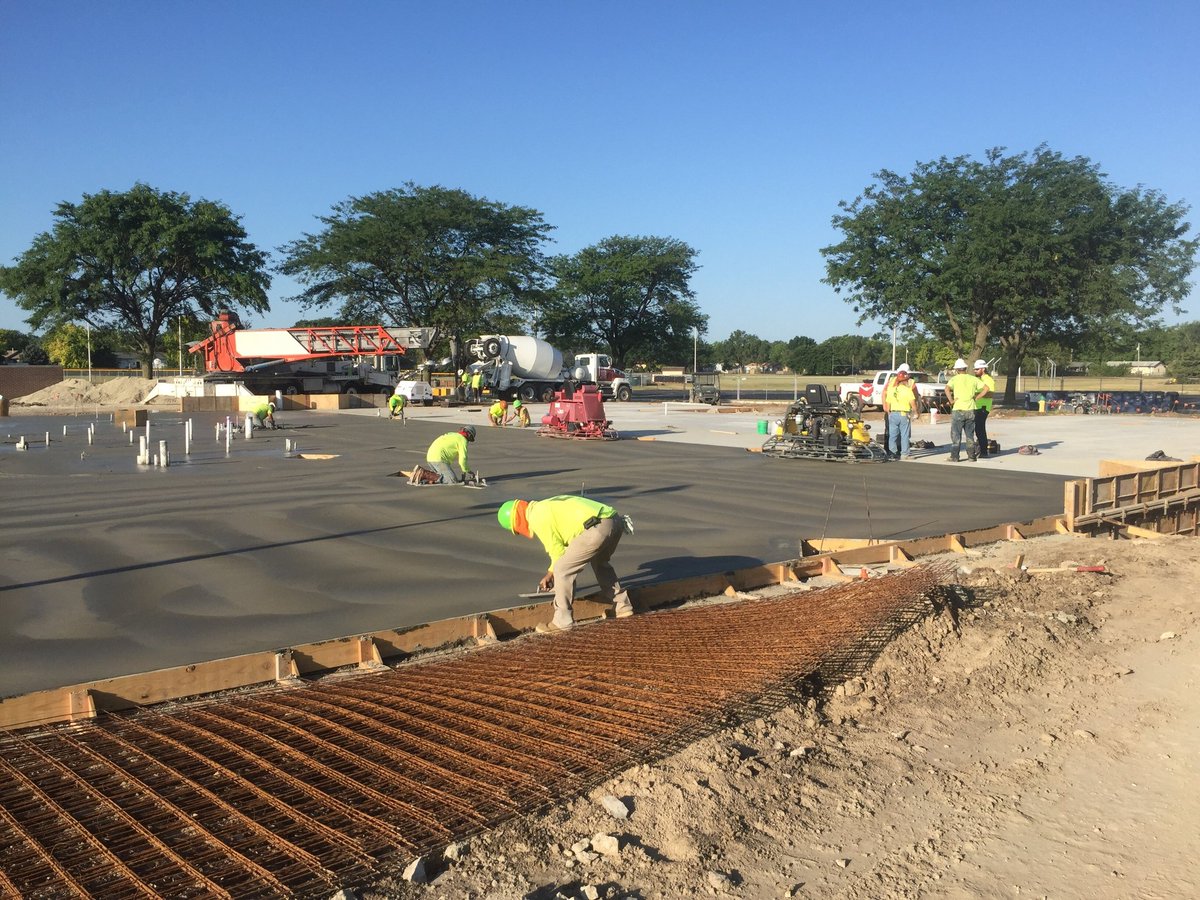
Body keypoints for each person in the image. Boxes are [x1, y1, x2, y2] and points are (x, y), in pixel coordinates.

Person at [497, 495, 635, 632]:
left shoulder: (537, 517)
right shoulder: (544, 506)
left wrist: (551, 573)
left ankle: (562, 621)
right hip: (614, 521)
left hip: (596, 528)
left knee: (562, 569)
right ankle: (622, 607)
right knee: (600, 563)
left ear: (516, 521)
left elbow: (557, 554)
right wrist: (552, 573)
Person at [944, 358, 986, 462]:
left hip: (958, 409)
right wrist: (977, 397)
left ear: (957, 369)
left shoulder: (954, 379)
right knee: (970, 435)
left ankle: (955, 456)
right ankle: (971, 456)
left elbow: (946, 389)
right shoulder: (973, 379)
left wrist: (951, 400)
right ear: (965, 368)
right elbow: (986, 388)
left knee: (956, 435)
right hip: (971, 409)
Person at [883, 363, 921, 459]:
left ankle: (892, 453)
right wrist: (916, 412)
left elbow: (887, 399)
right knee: (904, 435)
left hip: (893, 413)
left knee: (892, 435)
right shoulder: (908, 389)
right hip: (903, 414)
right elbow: (913, 401)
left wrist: (888, 411)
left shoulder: (892, 387)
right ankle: (904, 454)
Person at [973, 360, 995, 457]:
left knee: (980, 429)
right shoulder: (980, 379)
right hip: (977, 407)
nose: (975, 371)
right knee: (977, 429)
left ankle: (984, 451)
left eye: (977, 369)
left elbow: (990, 393)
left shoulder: (988, 379)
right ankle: (980, 449)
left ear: (983, 369)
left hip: (983, 407)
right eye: (975, 369)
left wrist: (977, 396)